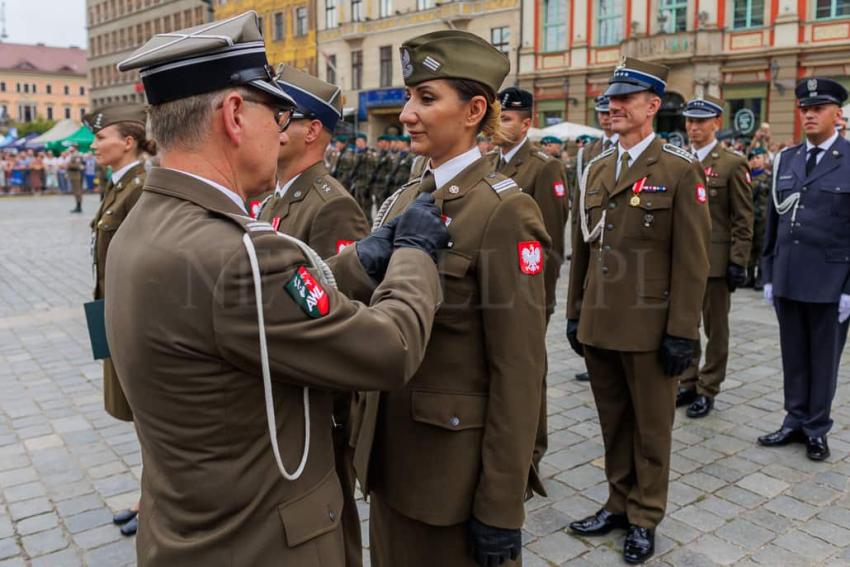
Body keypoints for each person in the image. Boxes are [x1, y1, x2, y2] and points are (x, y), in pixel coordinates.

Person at [107, 12, 449, 566]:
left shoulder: (146, 224)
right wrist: (415, 254)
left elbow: (254, 313)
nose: (281, 129)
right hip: (262, 543)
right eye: (278, 113)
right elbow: (390, 349)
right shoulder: (241, 253)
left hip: (193, 532)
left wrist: (359, 261)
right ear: (236, 114)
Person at [332, 29, 550, 567]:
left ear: (475, 109)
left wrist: (500, 506)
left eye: (427, 99)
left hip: (449, 479)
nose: (407, 113)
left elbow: (520, 372)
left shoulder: (504, 212)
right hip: (387, 458)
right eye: (409, 97)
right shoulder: (409, 197)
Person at [566, 57, 710, 564]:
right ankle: (617, 501)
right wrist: (574, 313)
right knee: (614, 423)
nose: (614, 106)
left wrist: (682, 332)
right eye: (611, 98)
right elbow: (583, 249)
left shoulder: (677, 169)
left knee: (652, 430)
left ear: (653, 106)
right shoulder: (599, 168)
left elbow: (692, 261)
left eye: (626, 98)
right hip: (602, 323)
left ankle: (645, 516)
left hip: (651, 329)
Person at [257, 65, 370, 567]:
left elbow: (336, 308)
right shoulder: (273, 197)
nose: (272, 126)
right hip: (283, 384)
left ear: (312, 130)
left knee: (330, 507)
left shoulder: (331, 206)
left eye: (283, 116)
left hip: (318, 399)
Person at [758, 77, 850, 462]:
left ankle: (816, 427)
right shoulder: (787, 158)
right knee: (793, 353)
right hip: (790, 274)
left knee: (824, 358)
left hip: (832, 280)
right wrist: (767, 273)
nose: (809, 115)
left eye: (818, 108)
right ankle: (794, 419)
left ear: (837, 114)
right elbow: (773, 222)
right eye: (804, 109)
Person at [85, 103, 154, 537]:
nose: (94, 145)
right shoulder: (118, 185)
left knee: (148, 414)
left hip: (134, 319)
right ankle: (149, 492)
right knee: (133, 411)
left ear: (127, 141)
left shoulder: (140, 188)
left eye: (101, 137)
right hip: (110, 310)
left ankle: (155, 498)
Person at [676, 94, 754, 418]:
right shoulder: (679, 159)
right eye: (690, 121)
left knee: (715, 329)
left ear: (716, 124)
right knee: (686, 324)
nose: (694, 127)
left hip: (716, 262)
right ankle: (688, 380)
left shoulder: (732, 163)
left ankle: (709, 387)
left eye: (701, 121)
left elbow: (743, 218)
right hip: (683, 260)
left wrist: (738, 260)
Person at [571, 95, 619, 382]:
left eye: (608, 111)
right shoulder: (588, 151)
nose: (605, 117)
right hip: (593, 237)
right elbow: (581, 199)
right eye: (601, 112)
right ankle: (595, 362)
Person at [746, 147, 771, 289]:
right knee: (749, 248)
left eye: (758, 158)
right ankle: (749, 276)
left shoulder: (768, 177)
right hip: (749, 217)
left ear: (764, 159)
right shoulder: (746, 176)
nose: (754, 161)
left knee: (761, 248)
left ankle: (761, 278)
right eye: (752, 158)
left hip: (763, 218)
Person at [67, 144, 84, 213]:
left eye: (71, 147)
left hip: (76, 175)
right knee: (75, 191)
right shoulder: (73, 155)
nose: (70, 148)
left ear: (74, 148)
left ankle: (79, 207)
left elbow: (77, 165)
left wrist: (68, 165)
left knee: (77, 191)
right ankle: (77, 206)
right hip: (73, 175)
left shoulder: (76, 155)